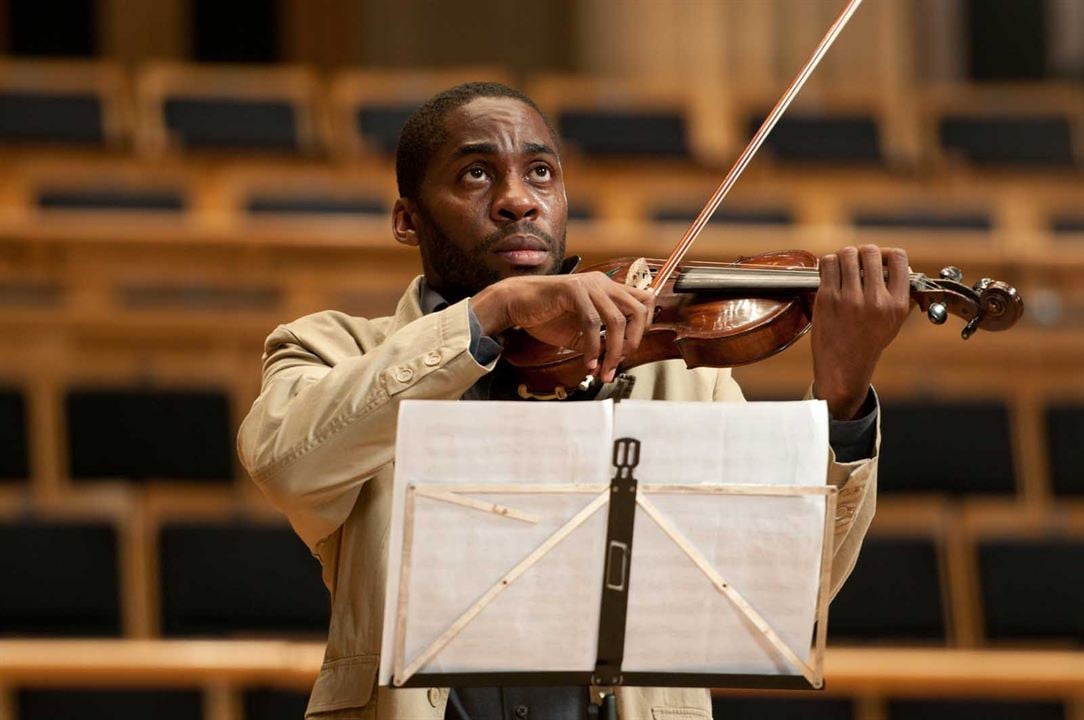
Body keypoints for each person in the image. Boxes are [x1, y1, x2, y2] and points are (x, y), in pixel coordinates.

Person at [237, 82, 910, 720]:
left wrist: (842, 398)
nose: (517, 201)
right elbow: (287, 461)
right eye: (475, 174)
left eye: (540, 174)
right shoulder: (334, 350)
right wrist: (493, 310)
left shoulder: (679, 373)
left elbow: (793, 590)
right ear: (406, 220)